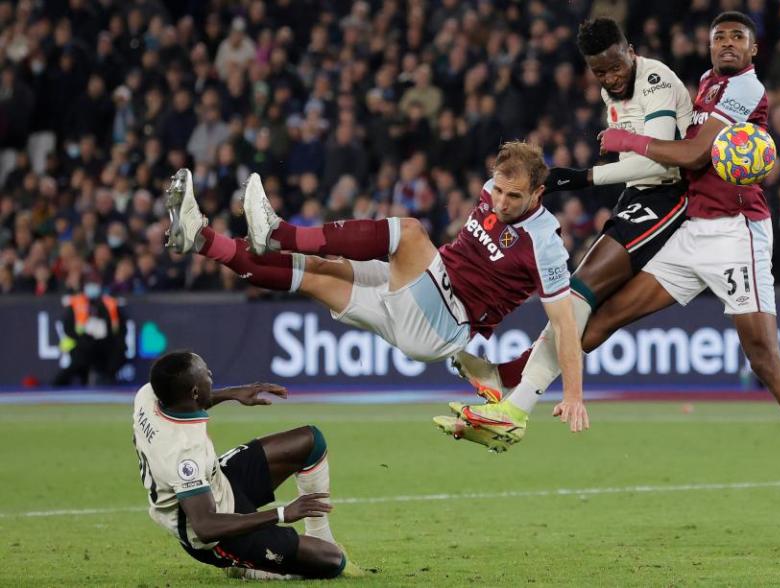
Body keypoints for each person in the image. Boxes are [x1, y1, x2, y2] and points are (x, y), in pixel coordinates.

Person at [451, 11, 780, 528]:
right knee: (601, 317)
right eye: (718, 37)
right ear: (709, 48)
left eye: (738, 38)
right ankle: (511, 389)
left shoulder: (745, 89)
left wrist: (628, 143)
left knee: (764, 358)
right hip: (691, 234)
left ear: (753, 51)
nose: (727, 45)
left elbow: (687, 154)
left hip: (736, 233)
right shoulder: (708, 83)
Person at [164, 140, 587, 453]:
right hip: (416, 298)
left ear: (538, 195)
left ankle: (279, 232)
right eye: (497, 190)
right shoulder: (491, 193)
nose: (502, 202)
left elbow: (565, 324)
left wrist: (571, 395)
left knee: (410, 232)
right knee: (316, 272)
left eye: (515, 196)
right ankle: (201, 240)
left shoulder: (545, 243)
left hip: (445, 322)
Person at [440, 17, 692, 449]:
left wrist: (580, 177)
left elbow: (659, 162)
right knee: (584, 315)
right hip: (637, 198)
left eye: (616, 67)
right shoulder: (608, 91)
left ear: (630, 51)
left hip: (669, 199)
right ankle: (512, 389)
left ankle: (514, 402)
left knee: (576, 297)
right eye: (600, 72)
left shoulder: (655, 80)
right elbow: (635, 167)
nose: (611, 78)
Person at [133, 350, 360, 579]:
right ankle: (243, 566)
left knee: (310, 441)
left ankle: (321, 536)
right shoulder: (183, 453)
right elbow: (205, 527)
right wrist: (281, 513)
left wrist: (232, 393)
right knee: (333, 561)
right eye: (206, 374)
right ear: (194, 391)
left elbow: (186, 401)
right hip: (217, 533)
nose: (210, 374)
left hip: (218, 481)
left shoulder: (149, 395)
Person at [53, 277, 127, 386]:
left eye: (95, 284)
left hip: (105, 343)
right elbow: (67, 326)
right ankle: (58, 384)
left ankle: (107, 380)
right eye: (90, 284)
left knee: (118, 353)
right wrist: (82, 340)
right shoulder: (77, 303)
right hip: (82, 343)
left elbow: (120, 326)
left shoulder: (109, 303)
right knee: (79, 361)